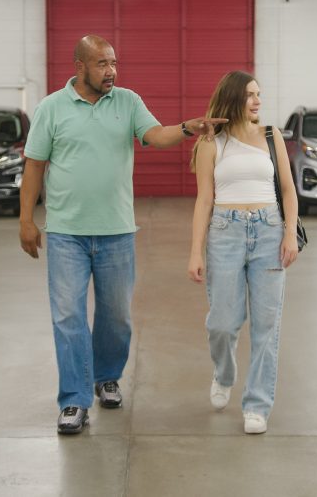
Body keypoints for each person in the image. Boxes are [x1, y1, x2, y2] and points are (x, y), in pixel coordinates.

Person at [19, 35, 227, 435]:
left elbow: (155, 135)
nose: (111, 71)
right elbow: (34, 166)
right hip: (66, 233)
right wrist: (26, 219)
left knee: (115, 317)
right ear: (80, 67)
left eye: (114, 63)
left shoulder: (128, 102)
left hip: (116, 231)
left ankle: (107, 376)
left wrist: (188, 128)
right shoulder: (51, 108)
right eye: (102, 64)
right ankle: (74, 400)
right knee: (68, 317)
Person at [186, 70, 298, 434]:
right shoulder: (210, 142)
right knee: (222, 322)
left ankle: (257, 405)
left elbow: (288, 189)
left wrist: (289, 235)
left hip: (268, 231)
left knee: (267, 326)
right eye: (250, 94)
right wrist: (195, 252)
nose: (257, 100)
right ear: (234, 98)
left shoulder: (271, 136)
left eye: (259, 94)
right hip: (225, 232)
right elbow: (204, 199)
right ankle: (224, 372)